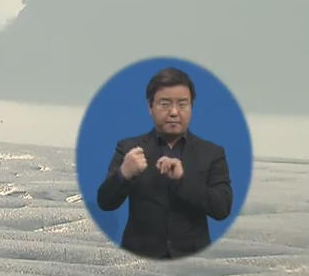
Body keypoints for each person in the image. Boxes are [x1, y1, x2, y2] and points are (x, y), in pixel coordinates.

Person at [96, 67, 233, 258]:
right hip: (139, 260)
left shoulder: (212, 153)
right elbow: (105, 202)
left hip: (193, 261)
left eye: (182, 104)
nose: (174, 112)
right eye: (165, 104)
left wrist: (182, 180)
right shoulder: (129, 148)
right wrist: (124, 173)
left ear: (191, 107)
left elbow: (222, 208)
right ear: (150, 107)